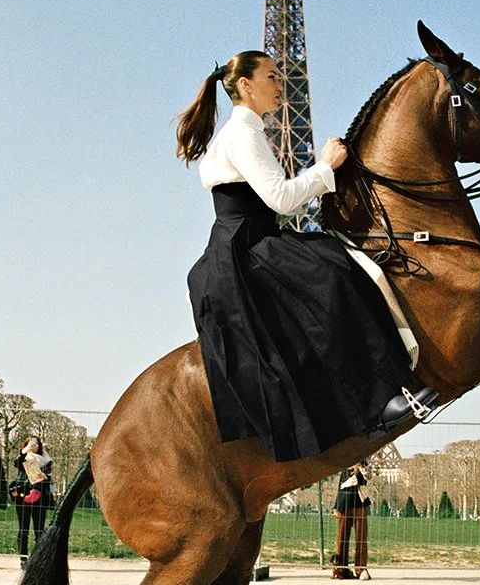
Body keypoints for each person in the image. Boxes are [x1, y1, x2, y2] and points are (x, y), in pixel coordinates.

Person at [177, 51, 438, 464]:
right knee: (336, 273)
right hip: (251, 245)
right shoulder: (243, 134)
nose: (280, 83)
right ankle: (386, 397)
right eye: (271, 76)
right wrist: (326, 166)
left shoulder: (238, 133)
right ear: (245, 85)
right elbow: (280, 199)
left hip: (241, 243)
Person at [11, 435, 53, 569]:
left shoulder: (46, 460)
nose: (33, 445)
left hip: (40, 496)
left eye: (36, 443)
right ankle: (23, 558)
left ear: (40, 445)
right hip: (22, 495)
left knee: (39, 529)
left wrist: (44, 477)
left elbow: (46, 477)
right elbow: (16, 463)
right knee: (23, 528)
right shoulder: (23, 457)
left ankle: (38, 558)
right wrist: (24, 452)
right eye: (30, 443)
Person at [331, 463, 371, 579]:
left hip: (359, 504)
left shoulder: (364, 465)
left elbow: (365, 480)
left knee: (361, 538)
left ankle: (360, 569)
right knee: (342, 538)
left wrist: (361, 469)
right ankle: (341, 568)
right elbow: (342, 485)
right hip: (345, 505)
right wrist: (337, 506)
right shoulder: (346, 463)